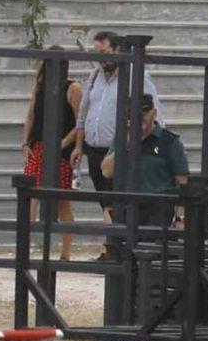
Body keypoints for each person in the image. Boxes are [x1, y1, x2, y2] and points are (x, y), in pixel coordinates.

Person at [70, 31, 164, 224]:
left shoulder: (136, 77)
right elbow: (83, 115)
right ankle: (111, 247)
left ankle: (118, 246)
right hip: (95, 150)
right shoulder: (94, 77)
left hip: (122, 150)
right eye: (99, 54)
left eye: (106, 52)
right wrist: (79, 146)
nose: (102, 59)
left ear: (117, 50)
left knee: (117, 202)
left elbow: (156, 115)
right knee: (105, 202)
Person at [20, 46, 83, 260]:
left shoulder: (73, 88)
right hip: (38, 146)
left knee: (63, 201)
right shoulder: (39, 87)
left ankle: (65, 252)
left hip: (62, 150)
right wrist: (25, 142)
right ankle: (25, 248)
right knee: (30, 197)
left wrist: (64, 143)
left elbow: (80, 122)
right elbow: (30, 116)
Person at [100, 94, 188, 228]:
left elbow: (182, 181)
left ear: (154, 113)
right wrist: (126, 143)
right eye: (133, 113)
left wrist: (180, 218)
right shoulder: (122, 139)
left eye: (144, 112)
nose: (139, 117)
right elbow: (106, 171)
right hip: (127, 208)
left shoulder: (169, 142)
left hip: (159, 210)